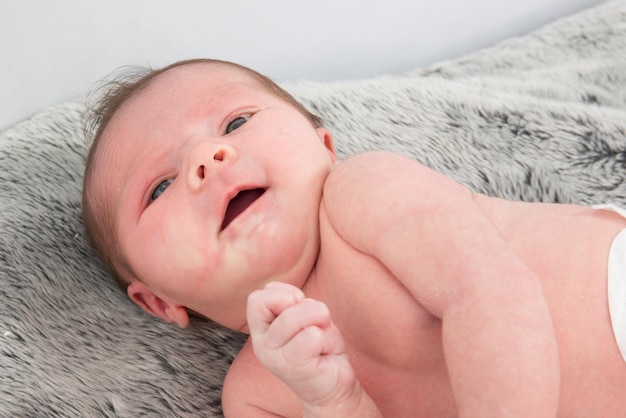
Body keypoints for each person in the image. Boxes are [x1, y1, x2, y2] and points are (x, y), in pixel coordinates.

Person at [82, 58, 626, 417]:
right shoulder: (257, 396)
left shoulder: (360, 195)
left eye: (235, 123)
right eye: (159, 187)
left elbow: (492, 289)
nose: (206, 158)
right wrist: (336, 402)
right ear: (157, 300)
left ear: (324, 147)